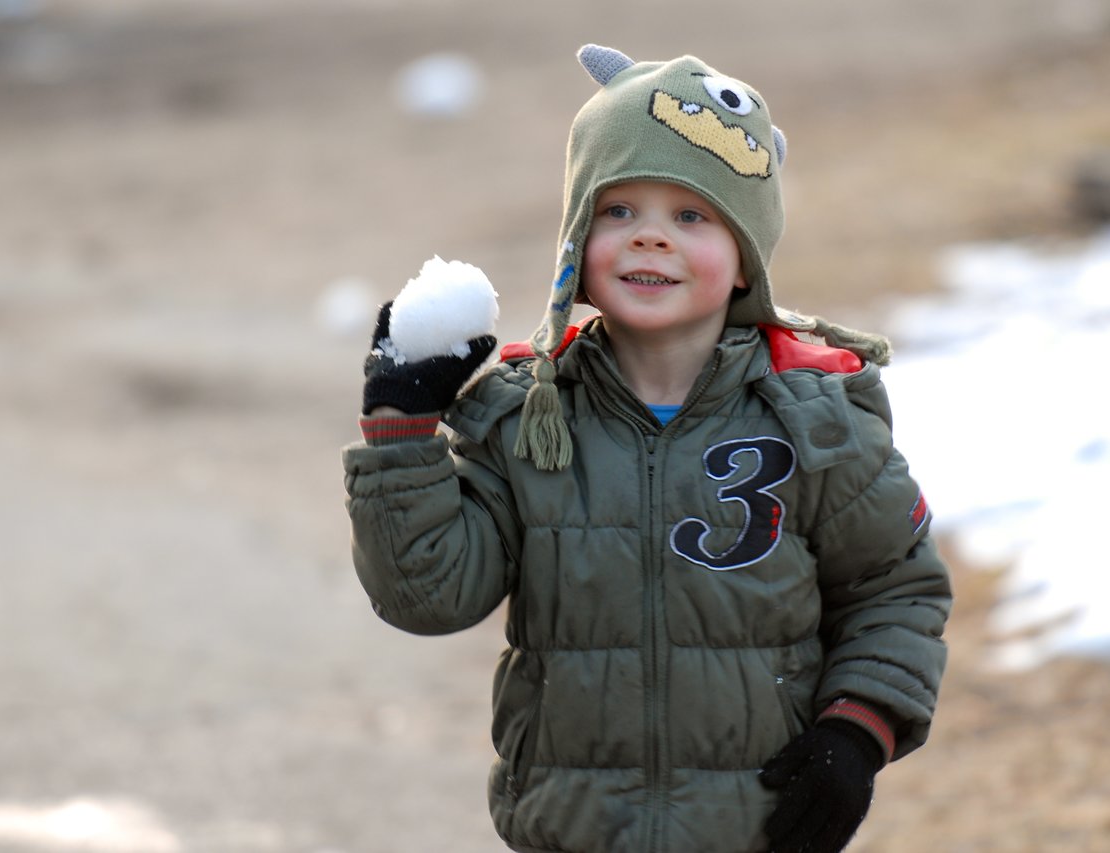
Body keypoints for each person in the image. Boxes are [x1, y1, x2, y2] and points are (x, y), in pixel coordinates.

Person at [344, 43, 952, 853]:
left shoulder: (815, 419)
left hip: (759, 827)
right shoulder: (530, 419)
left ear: (745, 258)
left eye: (691, 216)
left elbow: (896, 589)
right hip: (572, 830)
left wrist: (857, 731)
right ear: (575, 247)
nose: (650, 239)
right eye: (618, 211)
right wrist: (400, 430)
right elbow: (428, 595)